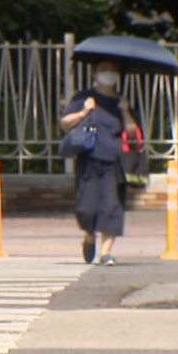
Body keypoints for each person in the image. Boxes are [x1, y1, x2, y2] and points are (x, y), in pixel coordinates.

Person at [60, 60, 138, 265]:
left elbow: (132, 131)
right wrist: (84, 112)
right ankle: (89, 236)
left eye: (113, 69)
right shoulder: (84, 98)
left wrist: (125, 110)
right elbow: (65, 123)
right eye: (104, 69)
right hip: (89, 160)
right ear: (95, 73)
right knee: (86, 208)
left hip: (114, 162)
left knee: (112, 207)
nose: (109, 73)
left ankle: (105, 253)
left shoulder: (121, 101)